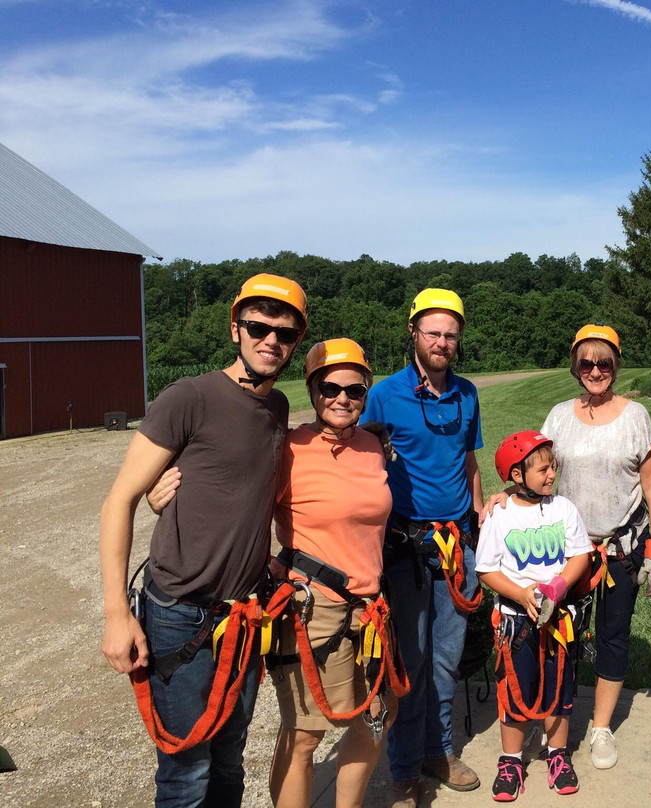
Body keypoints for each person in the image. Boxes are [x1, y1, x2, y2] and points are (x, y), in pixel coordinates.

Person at [148, 338, 405, 808]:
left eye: (355, 388)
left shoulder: (374, 446)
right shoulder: (289, 448)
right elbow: (230, 492)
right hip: (314, 609)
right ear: (312, 390)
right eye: (330, 387)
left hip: (369, 607)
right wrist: (160, 493)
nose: (342, 398)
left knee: (377, 716)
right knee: (306, 736)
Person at [99, 273, 307, 808]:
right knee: (187, 768)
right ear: (235, 328)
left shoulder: (277, 408)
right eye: (258, 327)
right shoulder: (189, 396)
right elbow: (118, 501)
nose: (271, 341)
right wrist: (117, 615)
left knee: (229, 759)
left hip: (243, 614)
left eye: (285, 333)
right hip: (179, 615)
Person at [362, 288, 485, 808]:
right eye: (433, 332)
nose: (442, 342)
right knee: (409, 659)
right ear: (413, 333)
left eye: (451, 334)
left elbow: (470, 464)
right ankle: (405, 768)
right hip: (404, 545)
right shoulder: (385, 395)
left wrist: (482, 519)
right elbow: (359, 460)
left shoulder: (467, 393)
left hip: (457, 544)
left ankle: (439, 750)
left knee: (447, 658)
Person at [532, 323, 651, 770]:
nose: (595, 370)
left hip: (622, 549)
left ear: (615, 365)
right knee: (559, 636)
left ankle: (601, 727)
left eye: (604, 362)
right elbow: (536, 470)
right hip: (567, 551)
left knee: (613, 636)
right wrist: (507, 495)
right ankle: (557, 721)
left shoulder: (635, 416)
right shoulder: (558, 416)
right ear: (576, 366)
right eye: (587, 362)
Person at [475, 430, 593, 801]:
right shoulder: (501, 514)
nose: (551, 475)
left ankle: (557, 754)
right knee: (515, 688)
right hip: (516, 621)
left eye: (552, 467)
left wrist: (558, 587)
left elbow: (580, 555)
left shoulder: (563, 509)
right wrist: (522, 593)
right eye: (542, 469)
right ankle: (511, 759)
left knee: (559, 688)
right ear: (515, 476)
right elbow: (486, 570)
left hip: (558, 619)